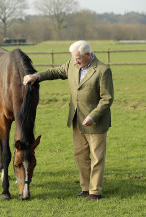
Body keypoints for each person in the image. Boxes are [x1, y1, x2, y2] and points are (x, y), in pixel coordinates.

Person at [23, 40, 114, 200]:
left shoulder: (102, 70)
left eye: (78, 58)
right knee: (80, 155)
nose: (75, 61)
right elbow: (56, 71)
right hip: (76, 119)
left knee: (96, 157)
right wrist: (36, 76)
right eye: (73, 58)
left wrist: (93, 116)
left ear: (88, 54)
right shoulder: (73, 63)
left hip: (95, 122)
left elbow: (106, 99)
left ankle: (95, 192)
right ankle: (85, 188)